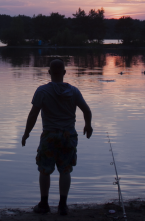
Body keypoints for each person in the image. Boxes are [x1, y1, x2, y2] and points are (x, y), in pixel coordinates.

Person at [22, 58, 93, 216]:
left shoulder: (42, 91)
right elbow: (87, 111)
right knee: (65, 170)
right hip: (68, 136)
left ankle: (44, 204)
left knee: (45, 170)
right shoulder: (74, 91)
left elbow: (33, 114)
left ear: (49, 73)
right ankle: (62, 206)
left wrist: (26, 133)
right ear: (64, 73)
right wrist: (88, 126)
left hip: (49, 136)